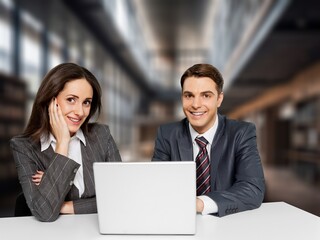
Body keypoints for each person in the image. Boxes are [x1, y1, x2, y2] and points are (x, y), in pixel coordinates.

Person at [10, 63, 122, 222]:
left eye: (86, 102)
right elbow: (44, 212)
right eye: (71, 100)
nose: (80, 112)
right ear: (50, 101)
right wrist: (63, 143)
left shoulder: (101, 135)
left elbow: (121, 198)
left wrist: (63, 205)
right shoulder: (24, 147)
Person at [152, 63, 265, 217]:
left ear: (219, 99)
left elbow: (252, 189)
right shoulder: (167, 134)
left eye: (206, 95)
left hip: (228, 226)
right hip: (179, 221)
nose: (196, 105)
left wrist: (200, 204)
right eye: (189, 95)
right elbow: (156, 186)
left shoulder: (241, 133)